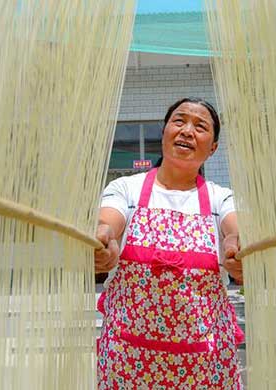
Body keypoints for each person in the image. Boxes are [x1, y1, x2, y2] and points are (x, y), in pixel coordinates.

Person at [95, 97, 244, 389]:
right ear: (164, 132)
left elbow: (235, 232)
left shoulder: (220, 198)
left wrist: (239, 249)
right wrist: (103, 241)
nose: (187, 130)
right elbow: (108, 224)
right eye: (179, 121)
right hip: (129, 366)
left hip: (205, 369)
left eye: (200, 126)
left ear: (212, 148)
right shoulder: (126, 189)